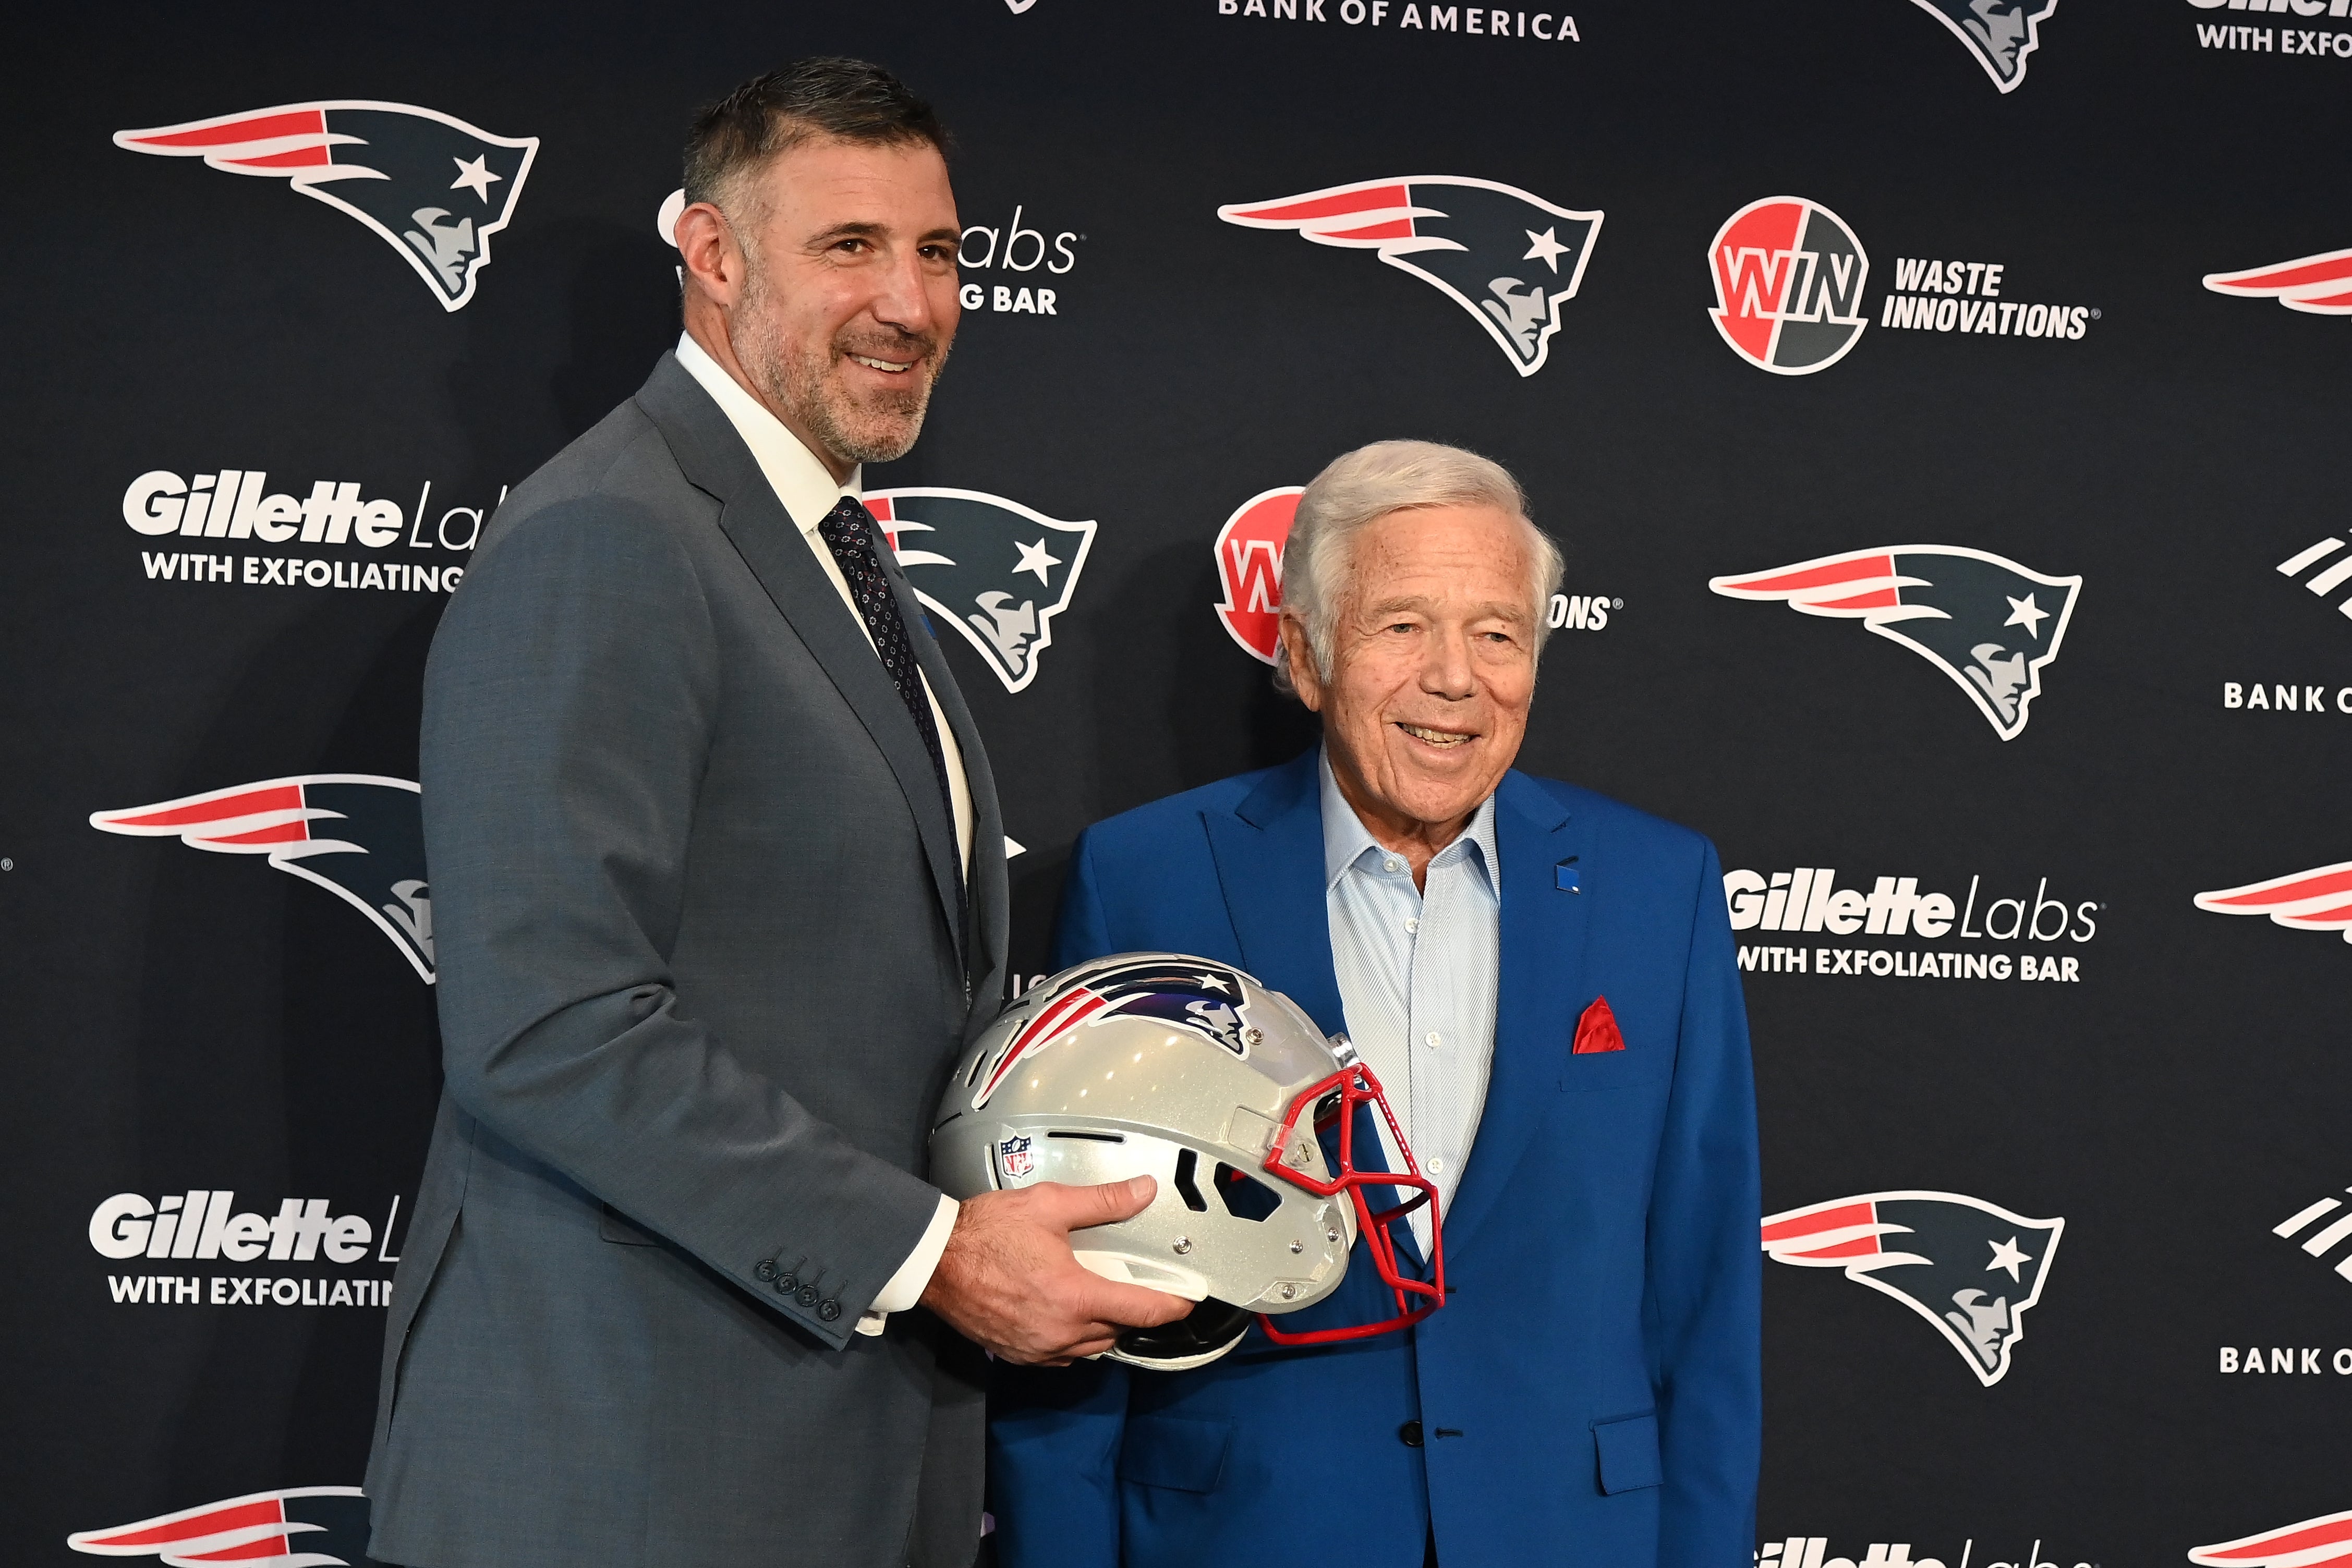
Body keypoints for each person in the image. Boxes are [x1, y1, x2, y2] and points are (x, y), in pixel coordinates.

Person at [365, 59, 1183, 1568]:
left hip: (831, 1453)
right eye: (848, 247)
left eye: (936, 253)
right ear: (717, 259)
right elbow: (547, 1026)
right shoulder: (612, 537)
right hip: (627, 1467)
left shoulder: (827, 551)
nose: (910, 303)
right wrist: (934, 1255)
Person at [988, 441, 1761, 1568]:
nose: (1455, 677)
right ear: (1305, 656)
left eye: (1496, 632)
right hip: (1246, 1532)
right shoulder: (1147, 875)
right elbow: (1077, 1288)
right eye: (1402, 626)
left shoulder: (1660, 887)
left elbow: (1703, 1295)